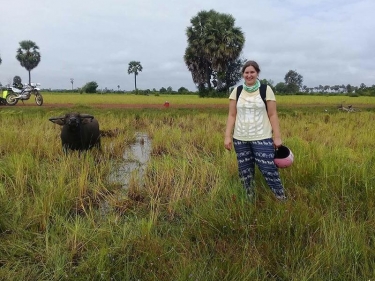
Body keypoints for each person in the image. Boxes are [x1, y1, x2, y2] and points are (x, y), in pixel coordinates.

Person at [224, 60, 287, 201]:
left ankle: (281, 198)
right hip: (241, 139)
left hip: (262, 137)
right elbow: (231, 115)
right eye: (246, 72)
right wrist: (228, 136)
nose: (249, 75)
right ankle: (249, 199)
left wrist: (277, 137)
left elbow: (273, 114)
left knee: (268, 169)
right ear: (243, 74)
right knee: (245, 171)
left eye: (252, 72)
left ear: (257, 73)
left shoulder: (266, 90)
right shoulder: (237, 91)